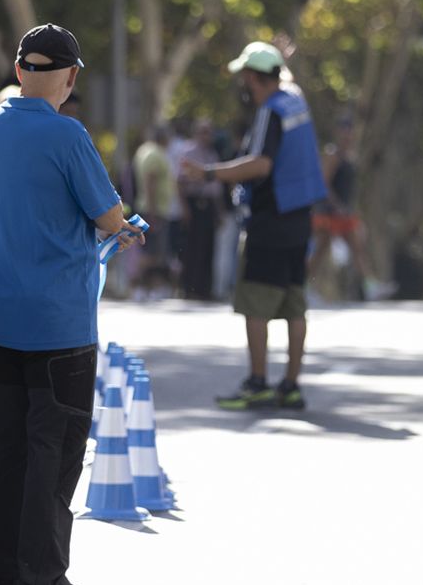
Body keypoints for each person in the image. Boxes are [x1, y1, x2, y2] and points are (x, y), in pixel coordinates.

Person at [0, 24, 139, 585]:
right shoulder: (67, 135)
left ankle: (2, 579)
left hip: (3, 314)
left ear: (19, 71)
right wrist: (122, 228)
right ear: (69, 77)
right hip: (61, 322)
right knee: (55, 452)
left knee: (8, 449)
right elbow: (110, 213)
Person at [188, 42, 328, 411]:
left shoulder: (269, 111)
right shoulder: (295, 101)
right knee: (295, 304)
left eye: (244, 77)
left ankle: (258, 382)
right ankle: (292, 386)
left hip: (269, 220)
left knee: (256, 304)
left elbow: (261, 165)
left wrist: (209, 173)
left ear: (251, 78)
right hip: (300, 219)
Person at [311, 115, 395, 301]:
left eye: (349, 130)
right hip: (329, 214)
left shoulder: (351, 156)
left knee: (357, 248)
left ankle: (370, 286)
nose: (347, 134)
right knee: (320, 251)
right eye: (344, 130)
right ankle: (302, 286)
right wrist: (336, 206)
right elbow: (324, 184)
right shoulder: (332, 154)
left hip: (344, 214)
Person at [177, 118, 224, 301]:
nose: (207, 136)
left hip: (209, 205)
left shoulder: (212, 154)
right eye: (203, 132)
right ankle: (189, 287)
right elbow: (180, 182)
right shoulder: (188, 153)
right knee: (192, 248)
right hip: (194, 203)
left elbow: (216, 187)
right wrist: (185, 208)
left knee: (208, 247)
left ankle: (205, 289)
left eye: (209, 132)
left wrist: (219, 212)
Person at [130, 124, 178, 298]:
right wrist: (152, 210)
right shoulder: (156, 154)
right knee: (153, 252)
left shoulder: (143, 150)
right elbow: (151, 181)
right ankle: (141, 286)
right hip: (154, 209)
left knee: (150, 250)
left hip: (148, 207)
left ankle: (146, 287)